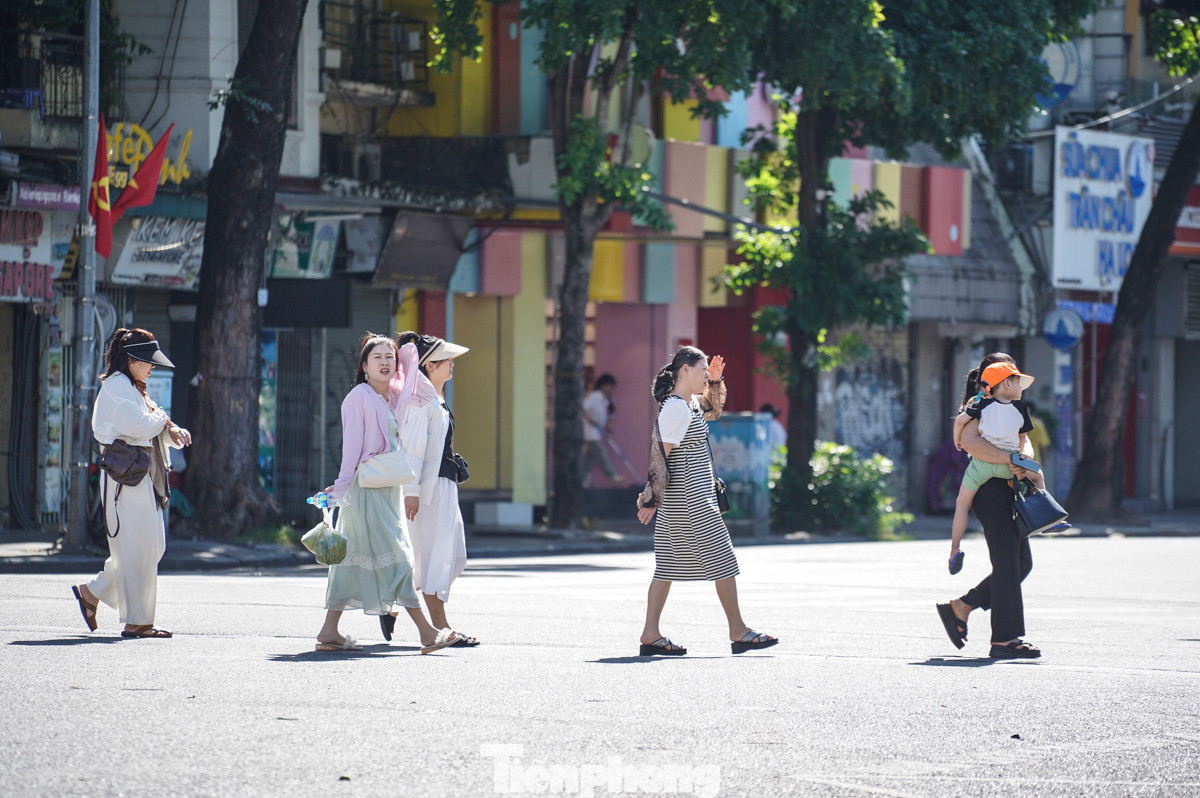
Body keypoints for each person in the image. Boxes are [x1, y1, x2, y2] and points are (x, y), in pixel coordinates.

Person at [317, 333, 458, 654]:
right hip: (366, 491)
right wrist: (340, 489)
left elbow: (422, 387)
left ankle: (329, 630)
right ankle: (426, 632)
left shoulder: (394, 397)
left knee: (352, 561)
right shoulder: (358, 398)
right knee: (399, 559)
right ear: (364, 366)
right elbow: (350, 451)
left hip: (386, 490)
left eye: (390, 358)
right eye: (377, 357)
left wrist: (406, 355)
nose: (385, 362)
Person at [635, 346, 778, 656]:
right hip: (691, 498)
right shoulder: (674, 408)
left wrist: (715, 382)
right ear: (684, 371)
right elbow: (661, 454)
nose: (705, 375)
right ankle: (738, 630)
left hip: (690, 496)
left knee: (667, 566)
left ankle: (651, 633)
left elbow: (713, 410)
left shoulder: (689, 405)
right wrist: (650, 498)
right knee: (723, 558)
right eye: (702, 370)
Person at [71, 328, 191, 638]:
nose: (153, 367)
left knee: (150, 546)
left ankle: (92, 593)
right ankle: (138, 622)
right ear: (132, 359)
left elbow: (147, 424)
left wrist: (167, 426)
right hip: (125, 477)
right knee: (140, 547)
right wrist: (164, 420)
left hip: (135, 474)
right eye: (149, 361)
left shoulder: (133, 387)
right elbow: (137, 425)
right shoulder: (117, 386)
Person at [937, 352, 1044, 659]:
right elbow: (971, 443)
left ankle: (963, 605)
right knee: (1008, 561)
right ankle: (1005, 640)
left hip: (1011, 484)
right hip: (989, 489)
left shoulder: (1011, 410)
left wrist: (1024, 460)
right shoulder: (978, 408)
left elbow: (1024, 440)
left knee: (1021, 564)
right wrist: (1014, 461)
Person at [384, 332, 479, 648]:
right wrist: (411, 490)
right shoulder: (418, 401)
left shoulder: (433, 399)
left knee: (451, 554)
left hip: (443, 486)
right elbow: (411, 450)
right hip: (428, 489)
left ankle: (393, 606)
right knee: (433, 556)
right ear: (429, 365)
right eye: (446, 361)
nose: (452, 365)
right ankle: (440, 626)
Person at [946, 358, 1044, 575]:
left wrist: (957, 440)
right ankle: (1047, 511)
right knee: (1037, 474)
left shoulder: (980, 403)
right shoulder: (1019, 409)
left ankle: (955, 549)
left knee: (962, 504)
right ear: (1006, 384)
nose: (1022, 388)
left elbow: (960, 422)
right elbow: (1022, 438)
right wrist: (1020, 459)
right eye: (1018, 382)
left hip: (982, 467)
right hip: (1009, 468)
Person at [582, 374, 624, 486]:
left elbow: (610, 415)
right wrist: (590, 420)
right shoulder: (594, 396)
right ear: (602, 385)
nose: (611, 389)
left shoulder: (610, 400)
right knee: (601, 453)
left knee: (587, 460)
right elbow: (582, 409)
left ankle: (579, 481)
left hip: (598, 432)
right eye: (609, 386)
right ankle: (612, 476)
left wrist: (609, 429)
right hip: (590, 432)